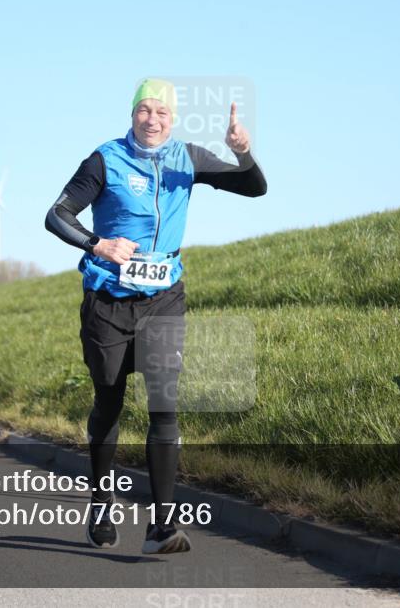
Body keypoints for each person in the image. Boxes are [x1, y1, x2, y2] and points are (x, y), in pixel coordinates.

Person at [45, 79, 266, 553]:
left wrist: (243, 153)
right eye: (145, 110)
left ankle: (162, 525)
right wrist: (97, 244)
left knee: (164, 403)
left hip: (163, 299)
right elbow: (57, 215)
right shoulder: (106, 159)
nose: (153, 119)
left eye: (162, 112)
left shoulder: (189, 158)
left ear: (174, 119)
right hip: (107, 300)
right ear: (132, 115)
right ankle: (101, 501)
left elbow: (254, 189)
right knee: (109, 400)